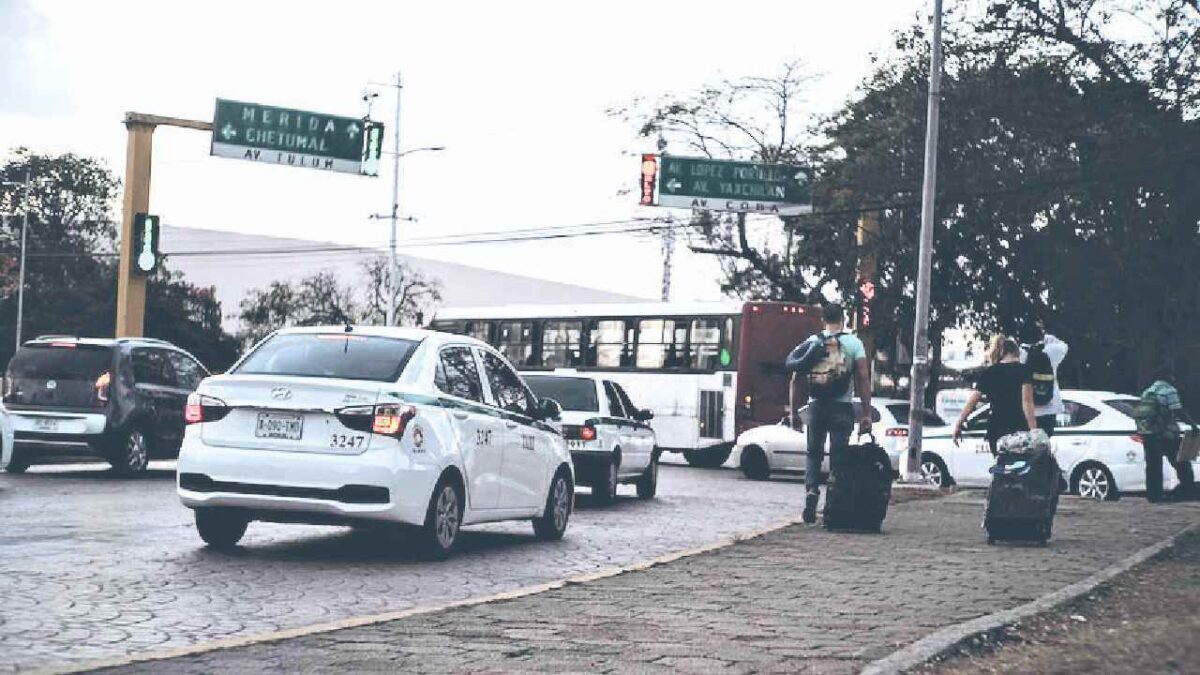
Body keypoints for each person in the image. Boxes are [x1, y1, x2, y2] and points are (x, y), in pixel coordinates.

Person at [784, 302, 872, 524]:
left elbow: (796, 379)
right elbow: (863, 378)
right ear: (843, 319)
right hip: (842, 407)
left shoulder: (812, 342)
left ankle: (812, 491)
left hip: (816, 406)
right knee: (839, 457)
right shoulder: (854, 344)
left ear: (823, 320)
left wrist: (794, 412)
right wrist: (866, 413)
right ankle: (833, 502)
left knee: (813, 453)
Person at [953, 336, 1037, 454]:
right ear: (1016, 352)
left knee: (1000, 461)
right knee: (1019, 462)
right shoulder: (1024, 371)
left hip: (996, 427)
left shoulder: (990, 372)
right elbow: (1027, 403)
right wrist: (1034, 431)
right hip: (1019, 426)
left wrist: (959, 423)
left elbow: (972, 401)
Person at [1137, 369, 1197, 502]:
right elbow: (1178, 411)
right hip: (1165, 433)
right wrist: (1192, 424)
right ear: (1169, 377)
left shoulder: (1148, 391)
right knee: (1182, 461)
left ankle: (1154, 496)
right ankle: (1188, 491)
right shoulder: (1169, 390)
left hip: (1148, 433)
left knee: (1153, 466)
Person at [1021, 333, 1069, 437]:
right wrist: (1048, 338)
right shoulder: (1052, 352)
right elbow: (1064, 346)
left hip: (1028, 412)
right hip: (1050, 408)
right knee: (1045, 442)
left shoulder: (1021, 353)